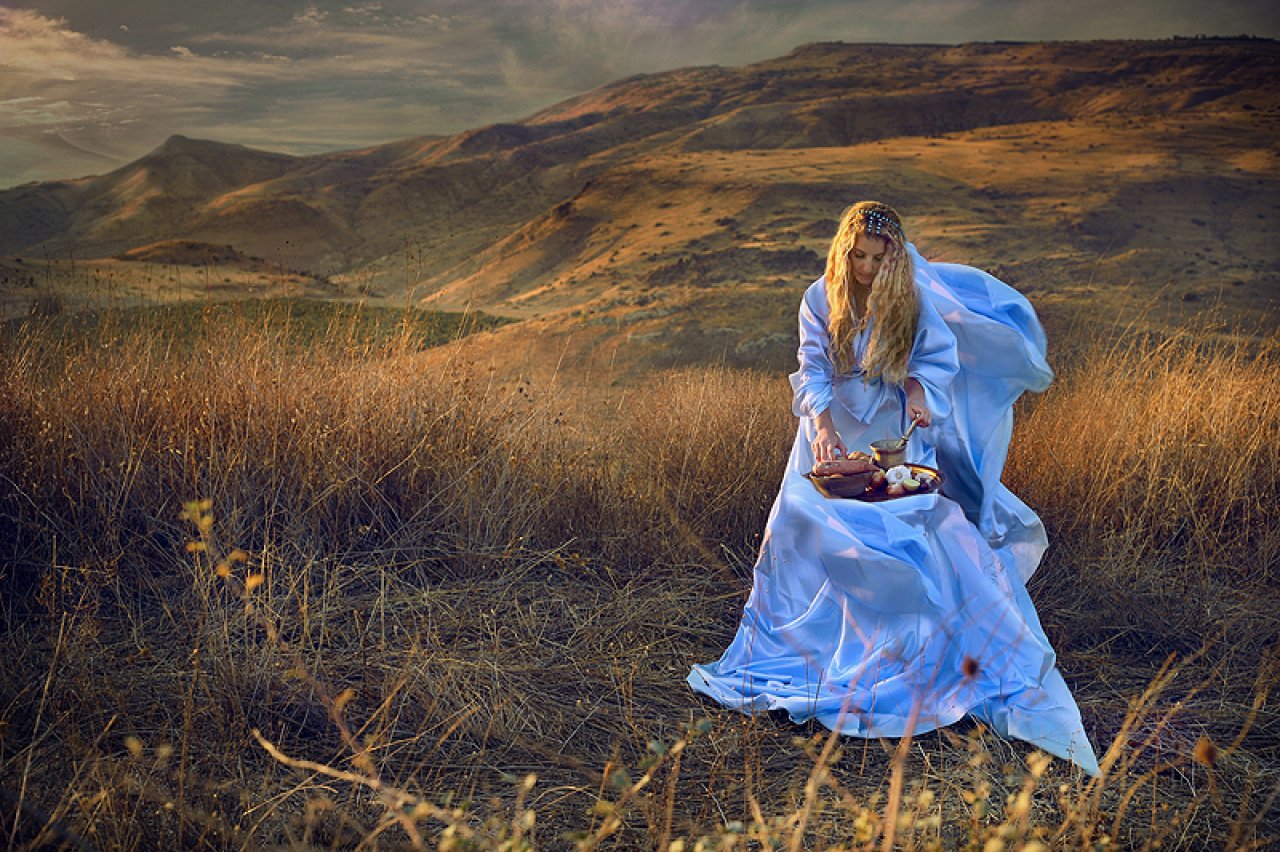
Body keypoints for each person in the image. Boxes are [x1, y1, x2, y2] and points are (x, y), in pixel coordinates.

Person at [688, 201, 1100, 776]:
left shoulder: (913, 298)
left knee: (909, 533)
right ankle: (816, 653)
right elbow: (812, 367)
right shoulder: (818, 297)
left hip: (893, 433)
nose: (865, 269)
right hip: (831, 431)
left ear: (896, 259)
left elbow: (934, 358)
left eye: (878, 260)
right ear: (844, 252)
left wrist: (917, 392)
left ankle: (904, 655)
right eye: (857, 257)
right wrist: (822, 427)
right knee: (806, 527)